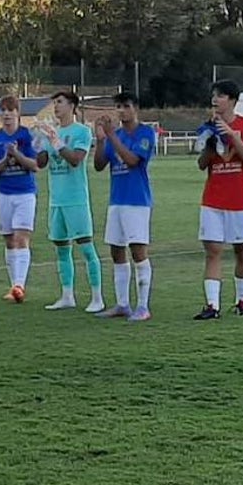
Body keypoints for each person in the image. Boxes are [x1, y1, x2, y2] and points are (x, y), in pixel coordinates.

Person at [195, 79, 243, 320]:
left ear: (232, 100)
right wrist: (208, 150)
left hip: (240, 200)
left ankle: (242, 301)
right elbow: (202, 164)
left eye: (221, 95)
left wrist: (232, 135)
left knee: (241, 251)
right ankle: (212, 306)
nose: (215, 100)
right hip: (212, 200)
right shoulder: (207, 126)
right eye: (214, 95)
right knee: (213, 251)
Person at [34, 90, 104, 313]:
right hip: (56, 200)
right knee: (61, 248)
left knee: (86, 247)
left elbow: (75, 160)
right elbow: (42, 163)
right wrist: (38, 140)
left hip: (76, 200)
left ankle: (97, 297)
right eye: (54, 103)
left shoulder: (82, 131)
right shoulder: (53, 132)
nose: (56, 107)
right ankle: (67, 295)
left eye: (60, 102)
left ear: (72, 106)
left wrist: (56, 142)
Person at [93, 92, 155, 321]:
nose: (121, 111)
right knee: (116, 250)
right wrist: (100, 140)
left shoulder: (145, 133)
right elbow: (99, 165)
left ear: (135, 108)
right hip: (116, 200)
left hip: (137, 201)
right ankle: (122, 304)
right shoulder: (114, 135)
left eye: (125, 106)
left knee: (138, 251)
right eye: (118, 106)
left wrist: (111, 136)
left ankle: (143, 306)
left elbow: (132, 160)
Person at [0, 94, 38, 302]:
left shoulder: (27, 136)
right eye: (3, 110)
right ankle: (13, 284)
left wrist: (17, 154)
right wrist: (6, 159)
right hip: (3, 193)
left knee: (21, 238)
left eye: (10, 110)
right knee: (8, 240)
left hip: (24, 193)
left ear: (18, 114)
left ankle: (19, 286)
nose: (6, 114)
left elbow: (34, 165)